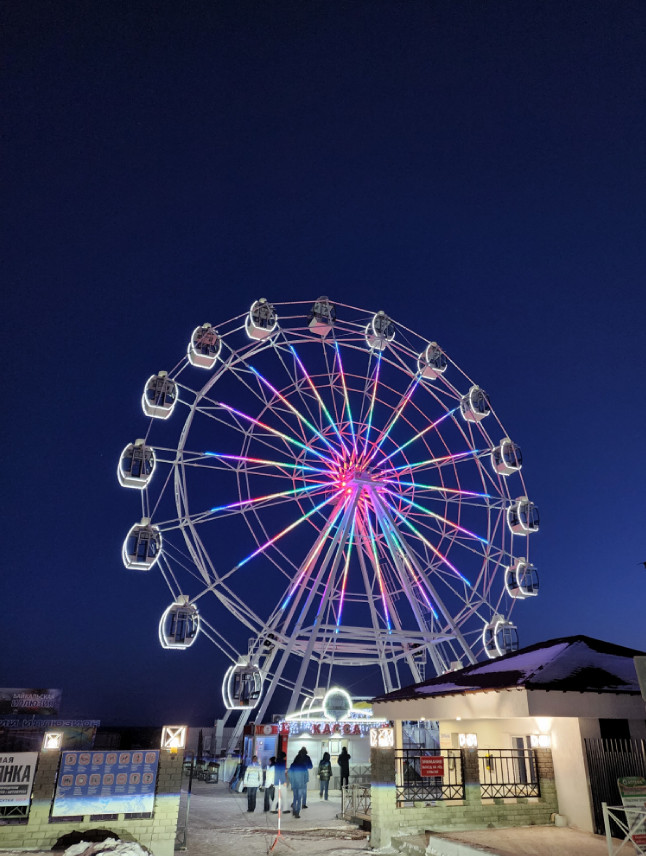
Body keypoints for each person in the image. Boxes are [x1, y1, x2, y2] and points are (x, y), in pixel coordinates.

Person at [288, 752, 309, 818]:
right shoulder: (304, 766)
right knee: (299, 799)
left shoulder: (292, 765)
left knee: (295, 798)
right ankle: (297, 812)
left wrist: (292, 782)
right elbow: (306, 776)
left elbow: (290, 774)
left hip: (294, 784)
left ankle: (294, 810)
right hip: (301, 785)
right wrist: (304, 782)